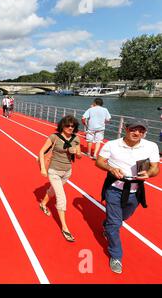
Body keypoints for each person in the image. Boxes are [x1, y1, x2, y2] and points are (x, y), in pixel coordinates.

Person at [96, 120, 159, 274]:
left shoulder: (151, 146)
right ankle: (116, 256)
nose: (137, 133)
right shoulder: (112, 144)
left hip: (136, 190)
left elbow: (155, 168)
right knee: (115, 224)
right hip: (114, 188)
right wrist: (111, 168)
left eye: (141, 131)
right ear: (126, 129)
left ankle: (109, 223)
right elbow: (99, 162)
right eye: (133, 129)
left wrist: (149, 174)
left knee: (124, 216)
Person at [38, 115, 82, 242]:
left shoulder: (76, 138)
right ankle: (65, 227)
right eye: (67, 125)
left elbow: (79, 157)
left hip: (67, 172)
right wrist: (43, 168)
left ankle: (43, 204)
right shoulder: (54, 137)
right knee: (61, 197)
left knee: (53, 190)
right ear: (62, 125)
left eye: (72, 126)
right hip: (54, 171)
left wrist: (76, 153)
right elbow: (42, 152)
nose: (70, 128)